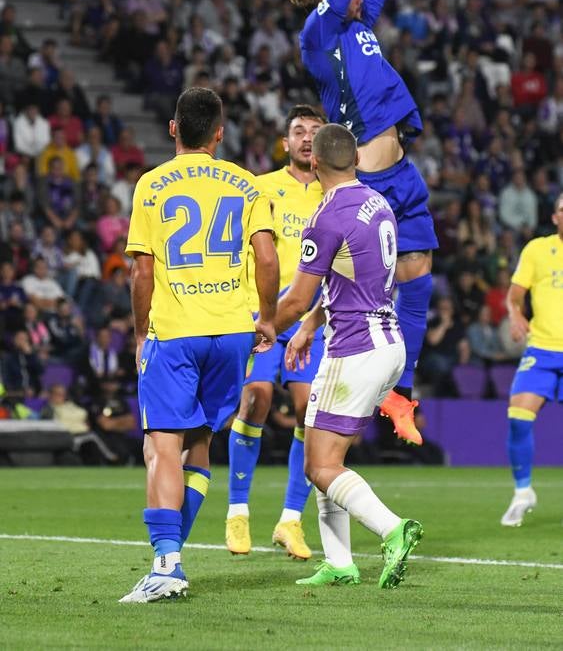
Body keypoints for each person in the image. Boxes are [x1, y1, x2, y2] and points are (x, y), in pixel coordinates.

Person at [281, 0, 437, 444]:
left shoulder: (359, 21)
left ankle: (401, 397)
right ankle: (340, 383)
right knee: (363, 288)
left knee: (419, 274)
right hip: (368, 179)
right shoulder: (317, 36)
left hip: (403, 170)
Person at [118, 87, 279, 604]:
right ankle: (168, 559)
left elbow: (143, 269)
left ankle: (167, 563)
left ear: (172, 129)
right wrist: (269, 319)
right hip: (233, 331)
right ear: (219, 134)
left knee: (160, 446)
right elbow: (269, 260)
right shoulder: (245, 182)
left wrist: (142, 330)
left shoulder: (152, 184)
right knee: (201, 441)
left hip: (178, 329)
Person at [273, 124, 423, 589]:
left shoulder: (327, 216)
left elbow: (296, 297)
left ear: (314, 164)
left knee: (320, 465)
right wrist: (308, 328)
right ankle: (339, 561)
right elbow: (348, 279)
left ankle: (392, 529)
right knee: (324, 456)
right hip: (386, 341)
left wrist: (262, 330)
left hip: (353, 349)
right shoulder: (378, 203)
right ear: (356, 159)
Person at [225, 104, 326, 559]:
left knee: (310, 412)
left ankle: (290, 520)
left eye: (315, 132)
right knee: (257, 398)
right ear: (285, 143)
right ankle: (237, 512)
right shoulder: (259, 189)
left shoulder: (337, 193)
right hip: (265, 318)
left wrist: (314, 319)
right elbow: (244, 255)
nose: (307, 138)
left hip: (312, 321)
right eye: (299, 132)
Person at [500, 191, 563, 527]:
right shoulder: (538, 250)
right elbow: (515, 296)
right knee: (518, 417)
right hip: (541, 349)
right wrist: (514, 315)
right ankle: (523, 492)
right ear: (554, 217)